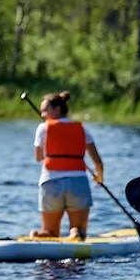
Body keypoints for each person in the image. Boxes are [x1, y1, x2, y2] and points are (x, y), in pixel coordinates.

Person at [33, 91, 104, 238]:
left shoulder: (43, 128)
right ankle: (75, 232)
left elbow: (39, 158)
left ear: (57, 109)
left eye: (45, 110)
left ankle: (44, 234)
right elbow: (97, 161)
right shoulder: (82, 129)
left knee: (51, 232)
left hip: (51, 183)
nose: (42, 114)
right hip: (78, 183)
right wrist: (99, 177)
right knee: (79, 231)